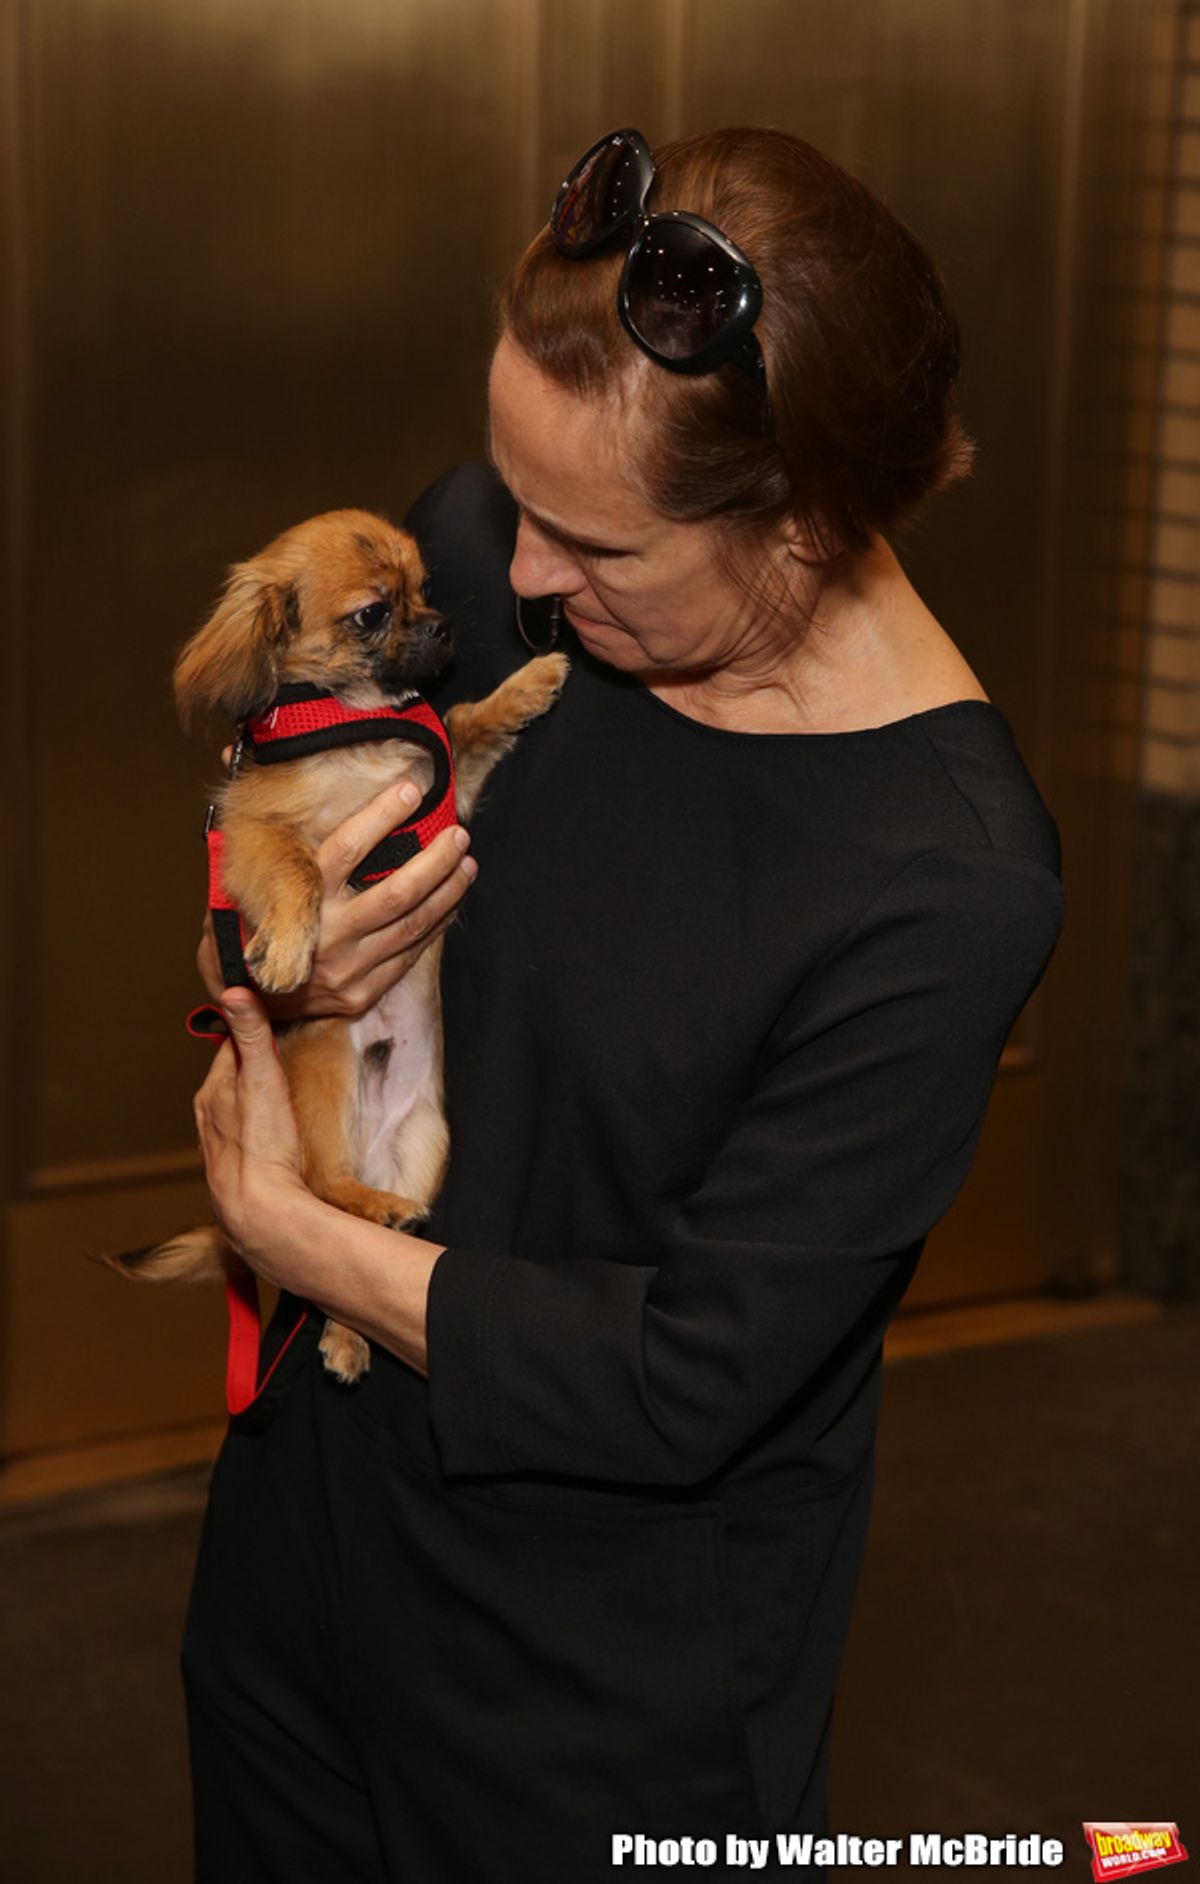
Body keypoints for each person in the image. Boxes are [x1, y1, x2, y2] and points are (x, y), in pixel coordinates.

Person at [181, 127, 1063, 1881]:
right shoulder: (496, 563)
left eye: (587, 542)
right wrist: (278, 974)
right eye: (508, 499)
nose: (513, 578)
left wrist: (286, 1229)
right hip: (308, 1555)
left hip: (592, 1690)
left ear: (805, 523)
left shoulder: (943, 875)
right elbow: (258, 874)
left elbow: (688, 1376)